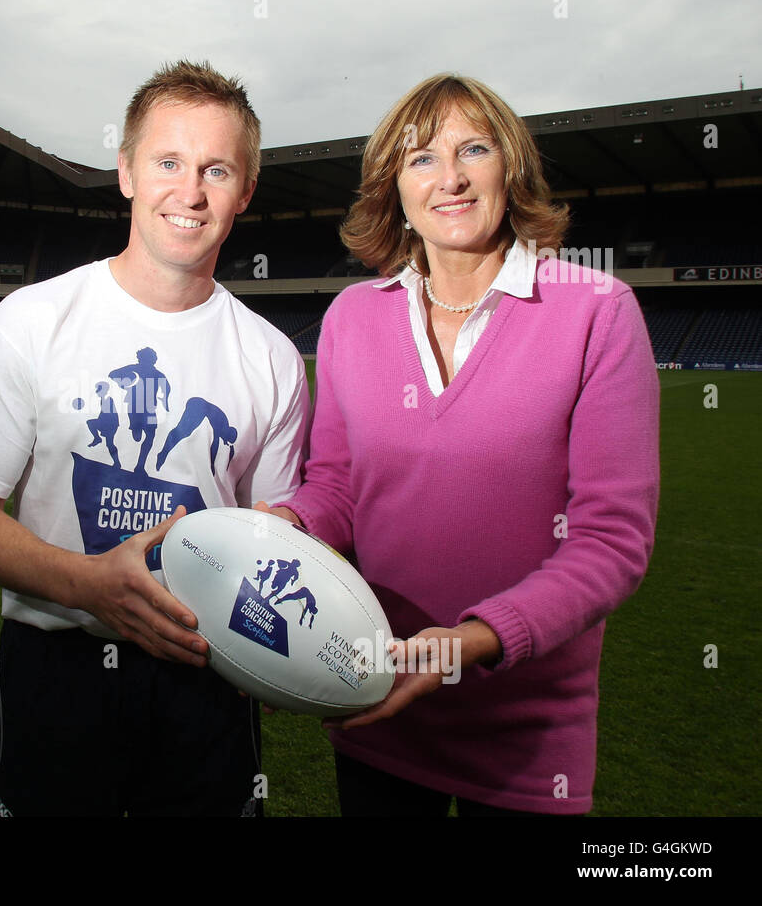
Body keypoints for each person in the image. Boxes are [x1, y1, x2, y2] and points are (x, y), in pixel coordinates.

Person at [0, 60, 309, 817]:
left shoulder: (273, 359)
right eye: (168, 162)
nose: (189, 192)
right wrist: (88, 583)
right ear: (125, 171)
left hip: (208, 676)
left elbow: (275, 538)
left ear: (246, 191)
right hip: (55, 670)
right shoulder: (32, 320)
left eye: (216, 169)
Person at [265, 74, 659, 815]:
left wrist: (470, 641)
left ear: (509, 167)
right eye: (419, 158)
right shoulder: (352, 316)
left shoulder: (598, 312)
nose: (448, 178)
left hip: (528, 738)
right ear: (395, 189)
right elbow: (339, 487)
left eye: (471, 149)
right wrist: (275, 528)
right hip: (377, 702)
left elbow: (612, 543)